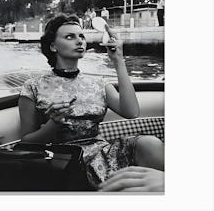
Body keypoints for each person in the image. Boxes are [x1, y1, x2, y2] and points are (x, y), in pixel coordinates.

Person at [19, 14, 164, 190]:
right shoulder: (33, 86)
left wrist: (118, 60)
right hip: (63, 160)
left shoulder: (98, 83)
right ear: (53, 46)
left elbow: (131, 112)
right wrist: (53, 124)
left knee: (150, 143)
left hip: (103, 155)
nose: (79, 41)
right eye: (70, 36)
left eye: (81, 36)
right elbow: (26, 142)